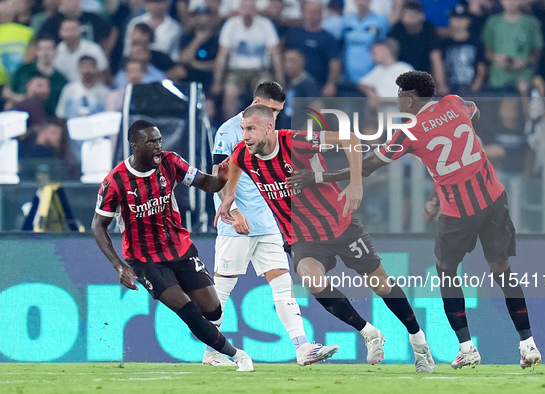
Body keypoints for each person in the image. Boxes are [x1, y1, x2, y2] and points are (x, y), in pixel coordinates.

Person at [291, 70, 542, 370]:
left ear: (409, 98)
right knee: (502, 270)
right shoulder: (454, 103)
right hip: (493, 198)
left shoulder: (409, 132)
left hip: (459, 211)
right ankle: (528, 344)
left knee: (447, 271)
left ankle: (466, 347)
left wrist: (318, 176)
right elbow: (472, 113)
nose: (396, 99)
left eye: (398, 94)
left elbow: (369, 166)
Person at [215, 104, 436, 372]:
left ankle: (418, 340)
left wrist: (356, 182)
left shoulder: (295, 141)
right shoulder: (243, 153)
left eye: (250, 129)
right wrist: (229, 198)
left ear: (269, 127)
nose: (245, 136)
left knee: (381, 284)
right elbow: (235, 166)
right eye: (242, 129)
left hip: (339, 224)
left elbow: (350, 139)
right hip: (301, 236)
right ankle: (368, 332)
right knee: (312, 279)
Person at [91, 119, 254, 372]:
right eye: (151, 142)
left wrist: (220, 178)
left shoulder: (171, 162)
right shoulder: (115, 182)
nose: (158, 146)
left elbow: (207, 184)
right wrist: (118, 266)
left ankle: (215, 348)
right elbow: (97, 226)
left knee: (212, 310)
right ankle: (238, 355)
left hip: (179, 248)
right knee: (187, 311)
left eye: (159, 140)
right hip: (145, 259)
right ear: (135, 146)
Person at [205, 81, 338, 367]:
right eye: (272, 110)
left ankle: (302, 347)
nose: (275, 117)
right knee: (222, 287)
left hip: (267, 222)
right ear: (256, 102)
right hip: (236, 223)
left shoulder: (272, 132)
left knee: (282, 283)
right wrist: (236, 210)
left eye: (278, 112)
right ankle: (212, 350)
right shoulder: (229, 131)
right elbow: (219, 175)